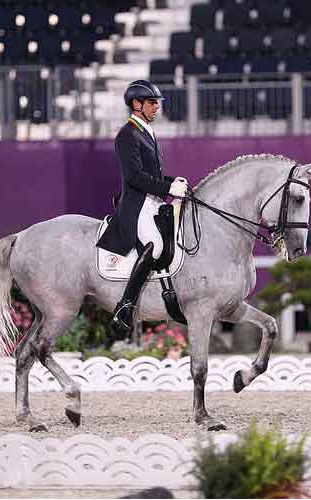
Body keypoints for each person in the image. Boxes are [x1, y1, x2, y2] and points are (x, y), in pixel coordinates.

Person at [96, 79, 189, 341]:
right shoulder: (127, 135)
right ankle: (125, 305)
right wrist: (168, 188)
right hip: (138, 204)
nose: (157, 107)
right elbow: (134, 176)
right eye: (152, 103)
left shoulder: (147, 131)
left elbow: (152, 175)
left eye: (157, 103)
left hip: (154, 201)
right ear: (136, 104)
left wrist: (172, 182)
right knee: (155, 246)